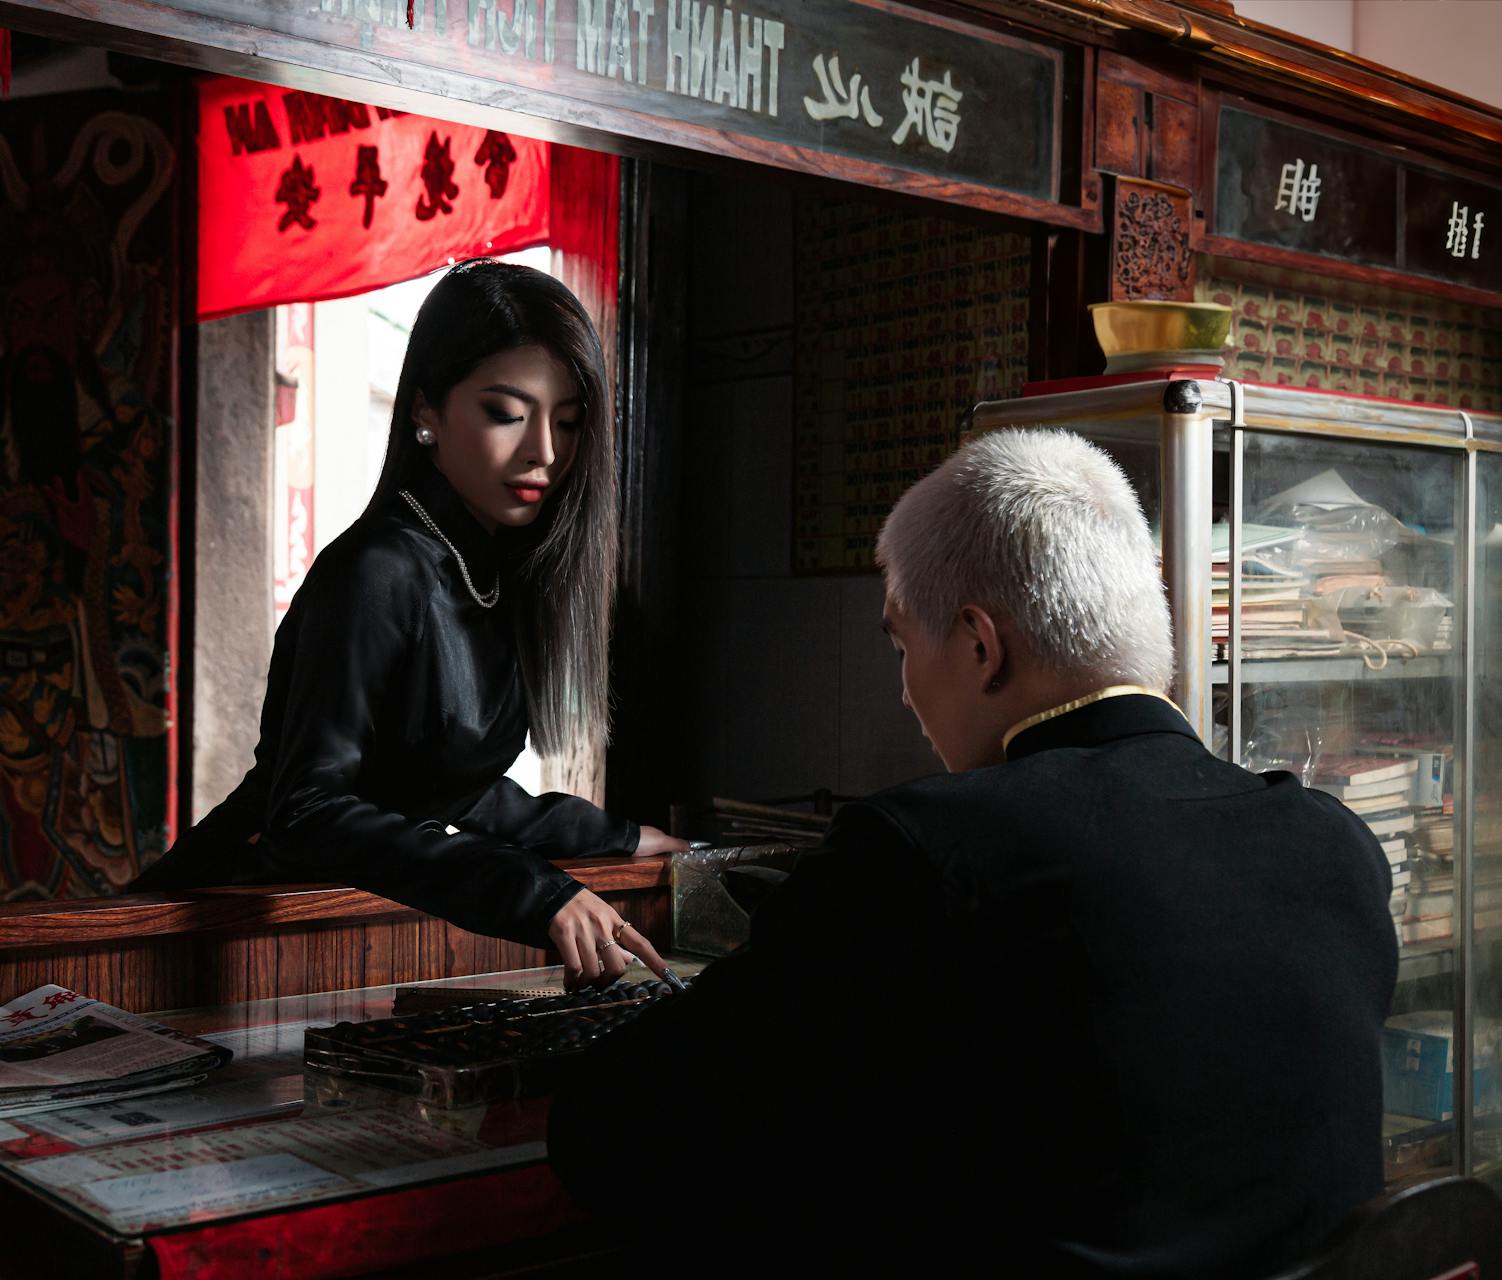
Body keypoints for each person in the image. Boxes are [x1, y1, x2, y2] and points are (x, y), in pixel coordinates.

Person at [548, 429, 1397, 1274]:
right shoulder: (1337, 846)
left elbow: (618, 1128)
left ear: (981, 645)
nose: (907, 691)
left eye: (902, 644)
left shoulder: (931, 848)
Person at [136, 260, 686, 984]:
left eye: (568, 421)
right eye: (506, 412)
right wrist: (533, 891)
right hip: (228, 922)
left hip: (330, 922)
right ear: (426, 411)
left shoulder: (496, 569)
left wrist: (616, 838)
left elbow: (448, 782)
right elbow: (309, 807)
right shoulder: (375, 568)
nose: (544, 452)